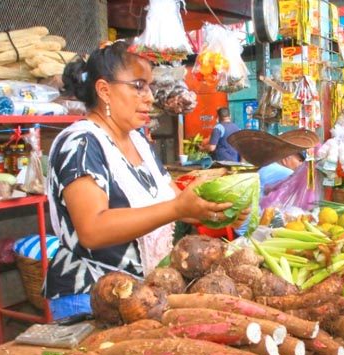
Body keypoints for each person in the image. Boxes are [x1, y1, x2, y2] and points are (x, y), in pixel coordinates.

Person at [45, 41, 244, 319]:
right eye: (138, 86)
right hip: (91, 298)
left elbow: (177, 201)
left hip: (142, 298)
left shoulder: (138, 141)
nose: (149, 97)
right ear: (104, 90)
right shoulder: (81, 143)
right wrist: (178, 210)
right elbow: (92, 229)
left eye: (149, 86)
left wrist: (217, 212)